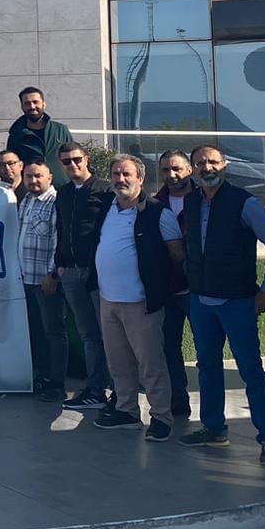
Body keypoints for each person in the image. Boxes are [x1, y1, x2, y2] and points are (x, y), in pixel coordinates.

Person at [179, 144, 265, 466]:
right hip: (201, 301)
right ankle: (214, 429)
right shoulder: (191, 202)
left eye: (213, 162)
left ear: (224, 165)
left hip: (238, 302)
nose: (207, 168)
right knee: (207, 367)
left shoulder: (244, 202)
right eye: (201, 163)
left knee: (251, 371)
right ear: (193, 169)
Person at [90, 156, 182, 441]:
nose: (121, 179)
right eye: (116, 174)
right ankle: (127, 411)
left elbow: (177, 255)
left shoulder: (158, 213)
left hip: (141, 303)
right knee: (118, 363)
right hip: (108, 300)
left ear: (140, 179)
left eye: (127, 174)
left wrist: (159, 287)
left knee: (151, 364)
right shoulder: (107, 208)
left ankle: (162, 417)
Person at [54, 141, 114, 412]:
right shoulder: (64, 193)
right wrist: (60, 264)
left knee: (109, 334)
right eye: (66, 161)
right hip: (71, 272)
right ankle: (95, 389)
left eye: (77, 159)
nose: (73, 165)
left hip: (98, 273)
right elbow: (60, 229)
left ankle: (119, 391)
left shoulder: (105, 190)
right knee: (88, 334)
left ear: (86, 159)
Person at [153, 150, 196, 417]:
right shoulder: (155, 204)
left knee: (206, 347)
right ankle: (178, 402)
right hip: (167, 287)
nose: (172, 175)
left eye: (177, 168)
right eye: (166, 170)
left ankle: (212, 413)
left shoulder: (204, 199)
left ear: (189, 170)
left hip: (199, 288)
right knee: (169, 347)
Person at [18, 161, 65, 401]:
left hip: (45, 279)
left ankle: (57, 383)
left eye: (38, 176)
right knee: (36, 331)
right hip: (25, 278)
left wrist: (52, 274)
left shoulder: (55, 202)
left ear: (49, 177)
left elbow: (58, 241)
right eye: (29, 176)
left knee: (54, 332)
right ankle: (43, 376)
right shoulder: (26, 200)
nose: (33, 180)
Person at [6, 86, 75, 176]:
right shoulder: (16, 135)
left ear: (44, 104)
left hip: (62, 183)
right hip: (31, 183)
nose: (32, 106)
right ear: (22, 107)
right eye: (27, 103)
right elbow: (11, 164)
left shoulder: (60, 130)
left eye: (35, 102)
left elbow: (73, 156)